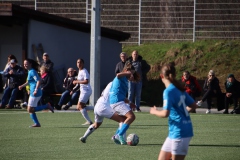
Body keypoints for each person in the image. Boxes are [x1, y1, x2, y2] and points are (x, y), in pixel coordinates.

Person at [150, 63, 197, 160]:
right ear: (175, 75)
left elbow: (165, 113)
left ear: (161, 76)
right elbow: (193, 105)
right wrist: (182, 114)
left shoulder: (168, 91)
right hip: (176, 131)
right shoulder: (179, 89)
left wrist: (154, 111)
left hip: (180, 132)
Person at [109, 63, 140, 145]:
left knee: (123, 119)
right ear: (126, 71)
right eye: (131, 73)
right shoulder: (121, 77)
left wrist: (130, 103)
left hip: (117, 101)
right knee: (131, 116)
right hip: (117, 102)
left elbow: (122, 96)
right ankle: (120, 134)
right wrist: (129, 73)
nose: (131, 76)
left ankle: (115, 136)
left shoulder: (125, 81)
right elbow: (118, 74)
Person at [18, 59, 54, 127]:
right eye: (24, 63)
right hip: (33, 91)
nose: (25, 65)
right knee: (30, 109)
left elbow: (38, 81)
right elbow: (29, 82)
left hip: (35, 92)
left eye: (26, 63)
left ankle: (46, 106)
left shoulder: (32, 72)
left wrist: (36, 90)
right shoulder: (30, 71)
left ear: (30, 64)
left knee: (30, 109)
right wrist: (22, 86)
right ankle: (37, 123)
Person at [73, 59, 94, 125]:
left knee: (79, 106)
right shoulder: (80, 71)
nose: (79, 64)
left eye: (80, 62)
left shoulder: (84, 71)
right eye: (78, 62)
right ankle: (96, 107)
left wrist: (77, 81)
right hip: (83, 91)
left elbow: (86, 81)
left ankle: (89, 121)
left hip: (86, 90)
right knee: (79, 107)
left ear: (83, 64)